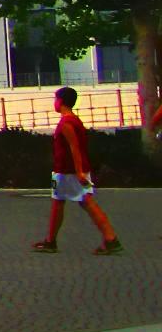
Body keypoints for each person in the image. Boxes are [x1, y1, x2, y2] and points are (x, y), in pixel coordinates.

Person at [33, 87, 124, 256]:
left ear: (61, 101)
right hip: (70, 171)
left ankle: (110, 239)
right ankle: (52, 240)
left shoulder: (67, 123)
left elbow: (74, 148)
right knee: (68, 202)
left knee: (72, 202)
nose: (54, 102)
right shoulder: (74, 121)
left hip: (67, 172)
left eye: (55, 99)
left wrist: (79, 172)